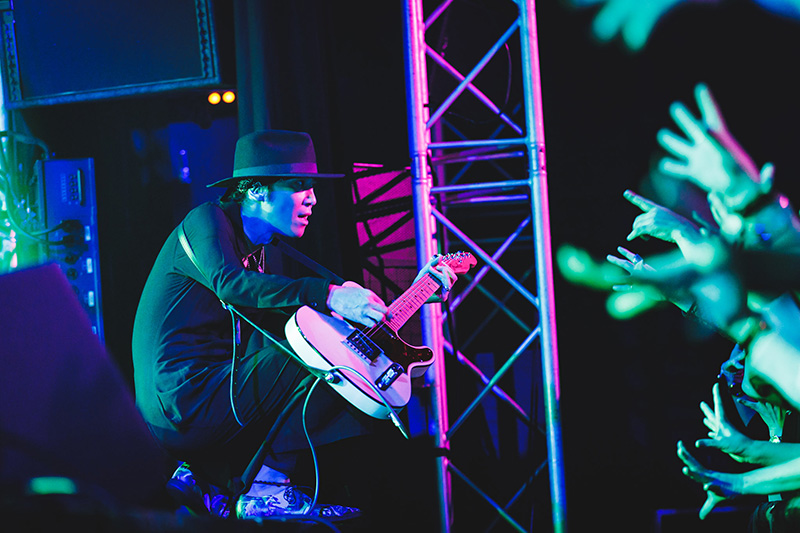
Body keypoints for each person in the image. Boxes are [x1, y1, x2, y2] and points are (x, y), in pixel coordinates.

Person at [131, 130, 456, 521]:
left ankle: (215, 476)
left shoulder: (255, 253)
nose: (313, 198)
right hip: (181, 403)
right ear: (257, 191)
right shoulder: (206, 221)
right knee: (322, 357)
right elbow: (230, 284)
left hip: (211, 399)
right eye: (299, 185)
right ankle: (265, 486)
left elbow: (298, 321)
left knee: (325, 346)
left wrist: (411, 298)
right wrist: (328, 294)